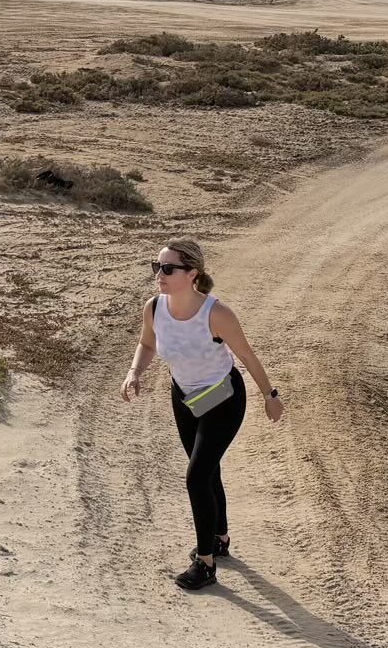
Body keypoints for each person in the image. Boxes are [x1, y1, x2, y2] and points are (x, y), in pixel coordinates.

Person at [120, 238, 283, 591]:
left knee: (196, 477)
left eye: (168, 268)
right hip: (184, 399)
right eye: (157, 266)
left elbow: (247, 356)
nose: (159, 275)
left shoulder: (216, 314)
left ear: (192, 273)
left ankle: (206, 563)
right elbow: (147, 344)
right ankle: (219, 538)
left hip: (223, 399)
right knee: (208, 471)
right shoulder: (154, 308)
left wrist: (270, 396)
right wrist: (135, 372)